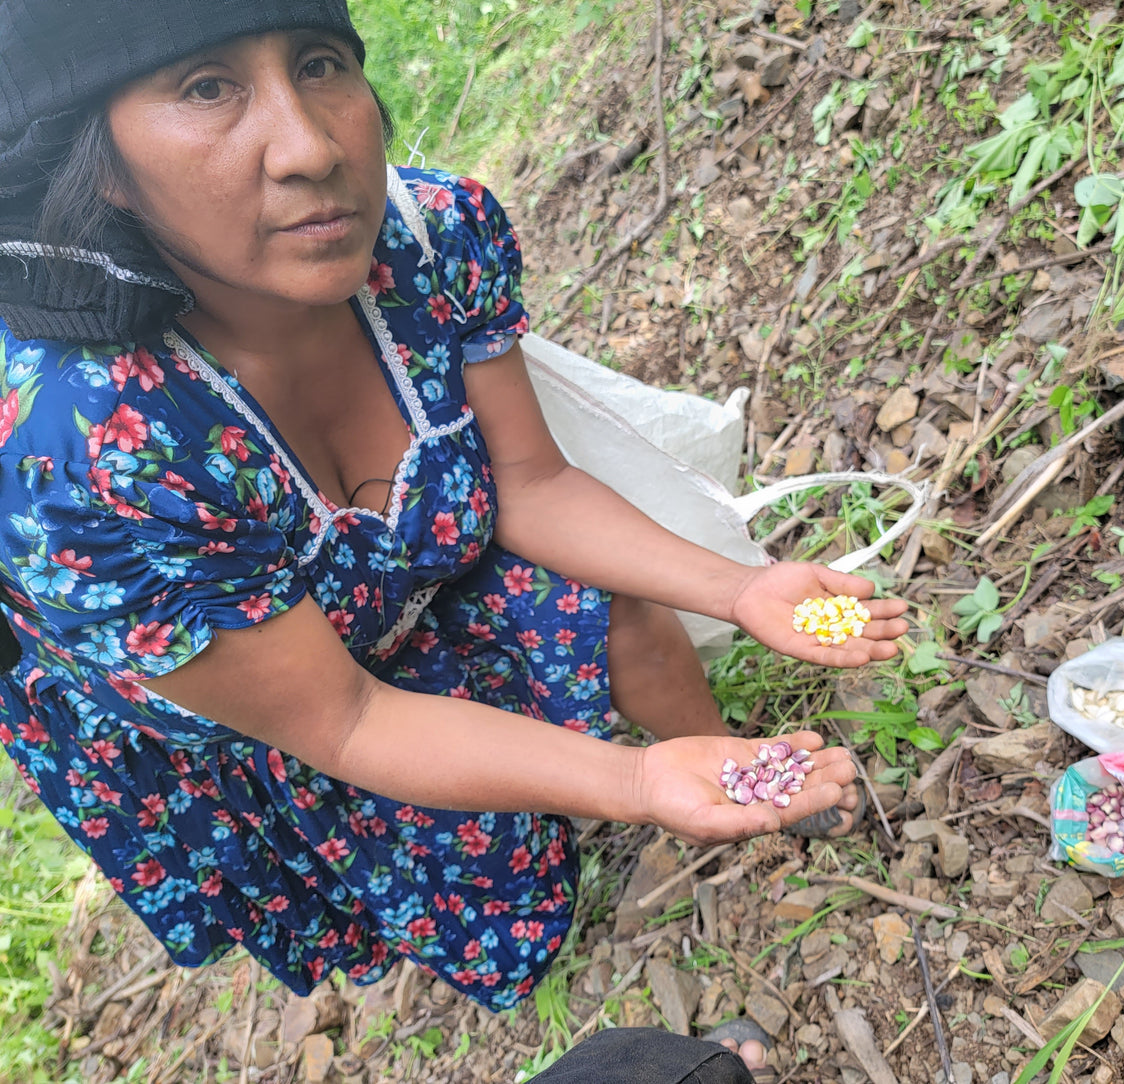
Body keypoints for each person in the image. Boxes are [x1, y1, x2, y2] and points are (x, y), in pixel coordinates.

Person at [0, 0, 908, 1022]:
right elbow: (343, 719)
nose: (310, 147)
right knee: (468, 862)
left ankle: (743, 779)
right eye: (206, 88)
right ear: (97, 165)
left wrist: (740, 588)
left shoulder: (425, 240)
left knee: (621, 612)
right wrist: (636, 783)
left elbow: (531, 484)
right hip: (267, 690)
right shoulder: (90, 451)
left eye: (319, 63)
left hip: (389, 572)